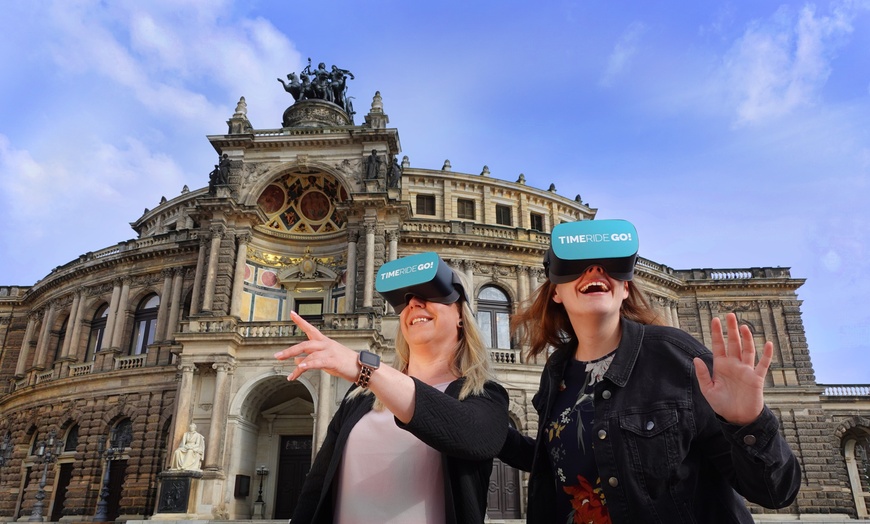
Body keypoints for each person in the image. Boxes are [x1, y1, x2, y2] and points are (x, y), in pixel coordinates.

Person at [498, 219, 801, 523]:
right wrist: (492, 430)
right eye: (576, 264)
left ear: (625, 287)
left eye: (609, 264)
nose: (594, 270)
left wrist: (748, 423)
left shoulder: (677, 358)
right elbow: (561, 460)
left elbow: (776, 492)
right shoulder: (555, 373)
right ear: (556, 293)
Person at [275, 252, 509, 523]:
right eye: (405, 300)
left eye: (430, 293)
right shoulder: (360, 395)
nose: (413, 303)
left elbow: (474, 437)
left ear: (460, 314)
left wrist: (366, 370)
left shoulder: (484, 395)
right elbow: (315, 488)